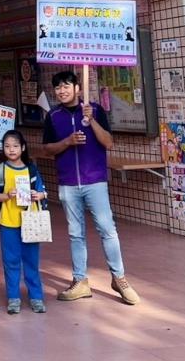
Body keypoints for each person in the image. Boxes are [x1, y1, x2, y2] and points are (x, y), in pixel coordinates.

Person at [43, 71, 139, 305]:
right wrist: (67, 142)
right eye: (58, 87)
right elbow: (48, 148)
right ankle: (80, 281)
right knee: (76, 233)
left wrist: (92, 120)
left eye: (66, 86)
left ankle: (119, 278)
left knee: (107, 229)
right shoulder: (53, 116)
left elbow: (108, 142)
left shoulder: (95, 110)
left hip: (95, 181)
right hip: (68, 182)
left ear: (78, 88)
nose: (62, 91)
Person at [0, 130, 48, 315]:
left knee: (31, 260)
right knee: (11, 261)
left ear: (22, 147)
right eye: (7, 146)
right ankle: (13, 298)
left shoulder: (31, 169)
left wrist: (38, 195)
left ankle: (36, 297)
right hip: (8, 221)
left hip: (30, 221)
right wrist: (7, 196)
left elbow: (43, 192)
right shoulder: (1, 170)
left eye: (15, 146)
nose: (11, 150)